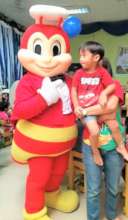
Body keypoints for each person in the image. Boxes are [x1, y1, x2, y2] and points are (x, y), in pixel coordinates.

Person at [72, 41, 128, 166]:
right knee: (93, 184)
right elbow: (85, 115)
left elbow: (111, 110)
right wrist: (85, 112)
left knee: (113, 124)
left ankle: (121, 147)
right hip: (91, 140)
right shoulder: (82, 79)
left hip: (111, 143)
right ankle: (96, 151)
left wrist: (88, 112)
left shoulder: (113, 84)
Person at [81, 57, 125, 220]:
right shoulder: (84, 90)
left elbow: (112, 109)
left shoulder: (115, 86)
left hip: (113, 146)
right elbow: (81, 116)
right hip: (90, 145)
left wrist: (90, 112)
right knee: (93, 190)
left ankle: (111, 216)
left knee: (112, 187)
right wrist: (96, 113)